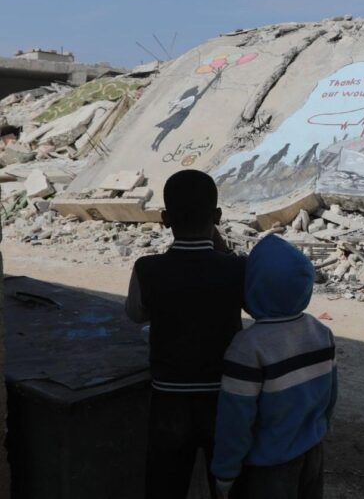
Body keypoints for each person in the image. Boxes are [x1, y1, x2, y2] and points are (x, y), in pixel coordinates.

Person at [126, 170, 246, 498]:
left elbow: (135, 314)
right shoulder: (236, 269)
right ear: (217, 217)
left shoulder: (147, 269)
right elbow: (253, 304)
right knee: (227, 482)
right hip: (223, 397)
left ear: (165, 218)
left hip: (169, 397)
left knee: (165, 484)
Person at [212, 235, 337, 499]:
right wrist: (316, 430)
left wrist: (225, 472)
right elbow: (329, 397)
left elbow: (235, 420)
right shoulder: (321, 332)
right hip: (313, 452)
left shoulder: (248, 347)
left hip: (269, 467)